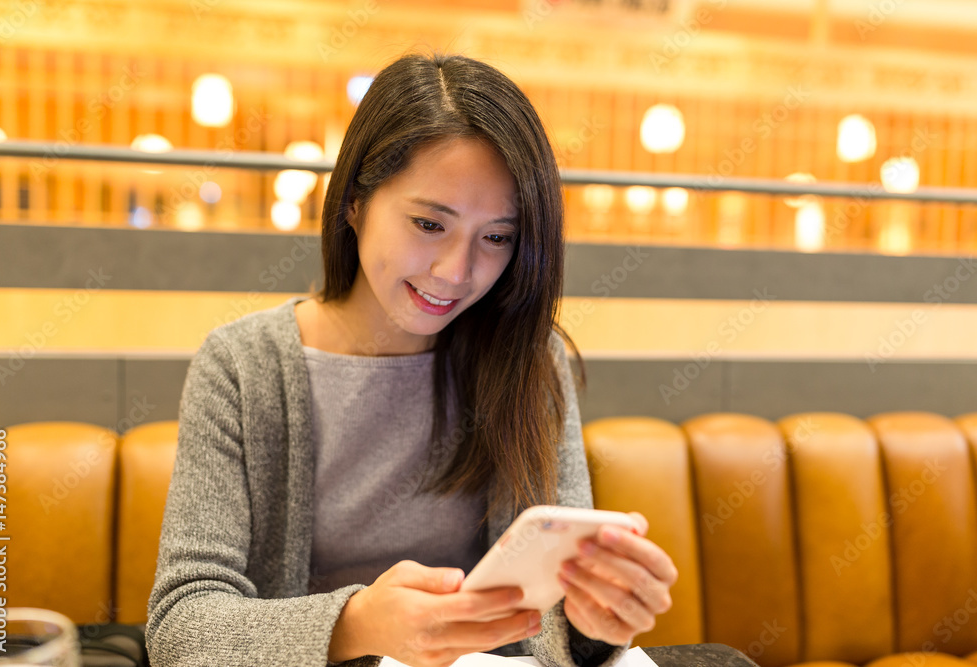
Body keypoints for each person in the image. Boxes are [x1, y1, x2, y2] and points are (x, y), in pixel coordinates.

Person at [145, 52, 677, 667]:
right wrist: (356, 627)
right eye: (429, 223)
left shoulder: (529, 358)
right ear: (352, 202)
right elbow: (181, 628)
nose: (456, 271)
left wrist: (594, 623)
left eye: (496, 237)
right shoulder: (244, 367)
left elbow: (555, 626)